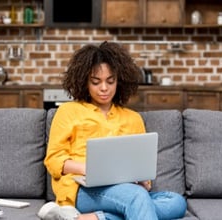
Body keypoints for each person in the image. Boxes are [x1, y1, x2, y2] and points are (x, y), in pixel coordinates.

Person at [37, 41, 187, 220]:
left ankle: (93, 218)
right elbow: (54, 160)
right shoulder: (68, 111)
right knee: (136, 197)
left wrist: (143, 180)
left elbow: (139, 163)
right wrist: (88, 169)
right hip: (82, 189)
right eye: (96, 82)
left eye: (110, 81)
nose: (104, 88)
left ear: (119, 81)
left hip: (124, 189)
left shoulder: (133, 118)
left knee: (176, 202)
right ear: (84, 82)